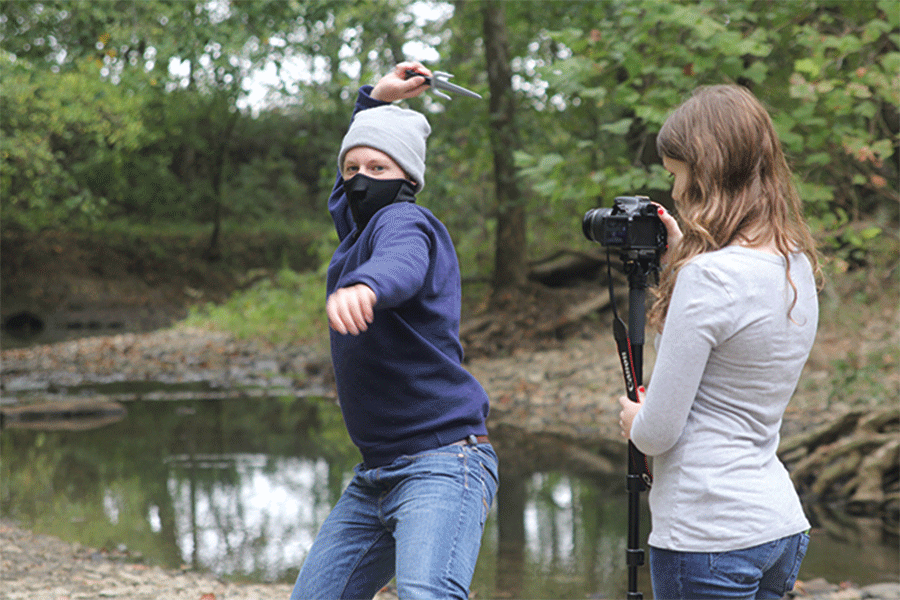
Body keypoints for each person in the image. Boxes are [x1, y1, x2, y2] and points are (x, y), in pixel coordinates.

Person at [290, 62, 498, 600]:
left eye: (378, 168)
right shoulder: (359, 228)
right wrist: (374, 103)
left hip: (443, 464)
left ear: (407, 178)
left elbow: (401, 263)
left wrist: (367, 286)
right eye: (351, 167)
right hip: (376, 476)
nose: (360, 179)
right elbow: (351, 195)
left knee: (427, 593)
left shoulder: (406, 223)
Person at [617, 84, 821, 600]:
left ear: (705, 171)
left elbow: (658, 434)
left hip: (707, 532)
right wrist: (685, 260)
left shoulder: (709, 279)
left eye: (676, 174)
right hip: (777, 526)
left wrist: (632, 422)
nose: (676, 191)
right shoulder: (796, 263)